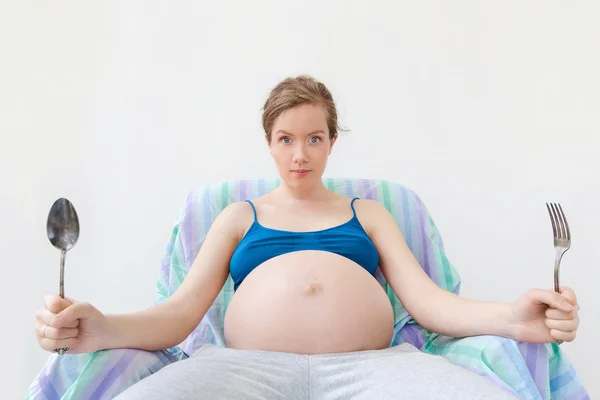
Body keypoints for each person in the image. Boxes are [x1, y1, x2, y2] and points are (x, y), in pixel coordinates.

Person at [35, 75, 580, 399]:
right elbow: (178, 316)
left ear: (332, 141)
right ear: (269, 143)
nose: (300, 154)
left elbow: (431, 305)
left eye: (314, 138)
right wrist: (100, 327)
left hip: (375, 367)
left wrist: (513, 317)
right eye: (286, 138)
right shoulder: (235, 217)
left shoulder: (370, 213)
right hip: (240, 368)